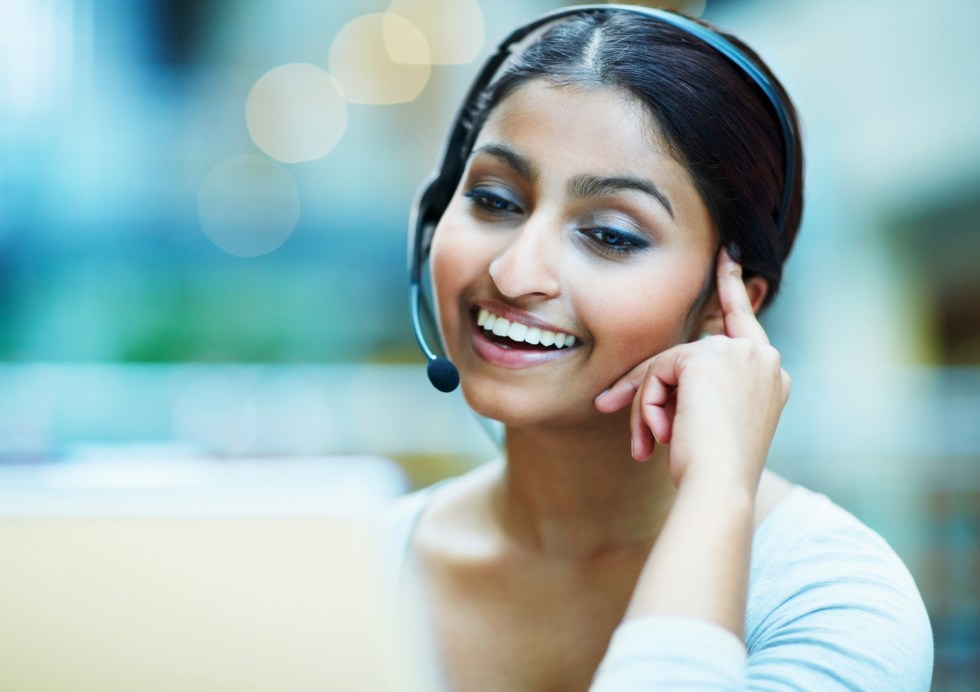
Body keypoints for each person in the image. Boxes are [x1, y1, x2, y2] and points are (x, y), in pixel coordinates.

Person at [389, 5, 933, 690]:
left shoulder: (832, 601)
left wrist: (717, 491)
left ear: (724, 303)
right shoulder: (356, 567)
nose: (514, 272)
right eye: (495, 200)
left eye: (611, 235)